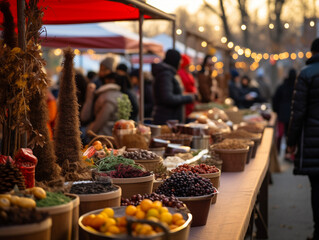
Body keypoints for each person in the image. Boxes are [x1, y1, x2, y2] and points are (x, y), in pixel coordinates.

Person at [287, 38, 319, 240]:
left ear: (312, 51)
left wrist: (291, 142)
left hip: (313, 143)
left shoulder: (306, 74)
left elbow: (297, 113)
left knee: (316, 188)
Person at [151, 49, 195, 124]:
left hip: (170, 119)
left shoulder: (169, 74)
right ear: (175, 61)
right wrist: (189, 97)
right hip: (166, 120)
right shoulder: (165, 75)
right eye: (180, 60)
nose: (181, 63)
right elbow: (168, 98)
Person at [272, 68, 296, 160]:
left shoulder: (282, 87)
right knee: (289, 135)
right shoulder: (297, 87)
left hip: (282, 115)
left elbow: (275, 99)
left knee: (280, 134)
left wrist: (277, 111)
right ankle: (288, 153)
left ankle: (277, 153)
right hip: (293, 116)